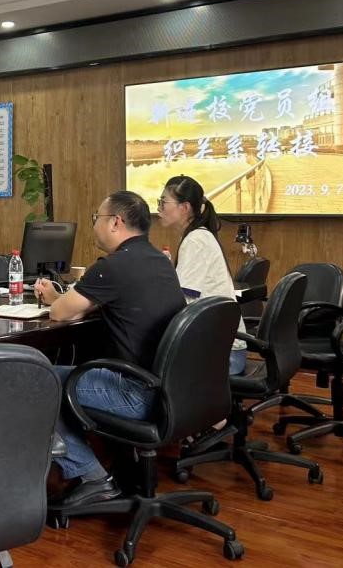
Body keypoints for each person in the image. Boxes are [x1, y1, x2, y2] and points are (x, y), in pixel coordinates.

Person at [34, 191, 186, 509]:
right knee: (71, 371)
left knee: (39, 381)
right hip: (172, 390)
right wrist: (64, 300)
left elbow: (60, 313)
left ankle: (92, 477)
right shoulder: (158, 260)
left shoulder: (114, 266)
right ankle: (111, 463)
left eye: (96, 219)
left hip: (136, 393)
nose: (94, 226)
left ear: (115, 222)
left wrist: (56, 300)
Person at [158, 175, 248, 376]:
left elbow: (184, 303)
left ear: (185, 207)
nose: (159, 208)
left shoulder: (196, 240)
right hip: (221, 347)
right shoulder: (198, 236)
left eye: (163, 202)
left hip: (223, 355)